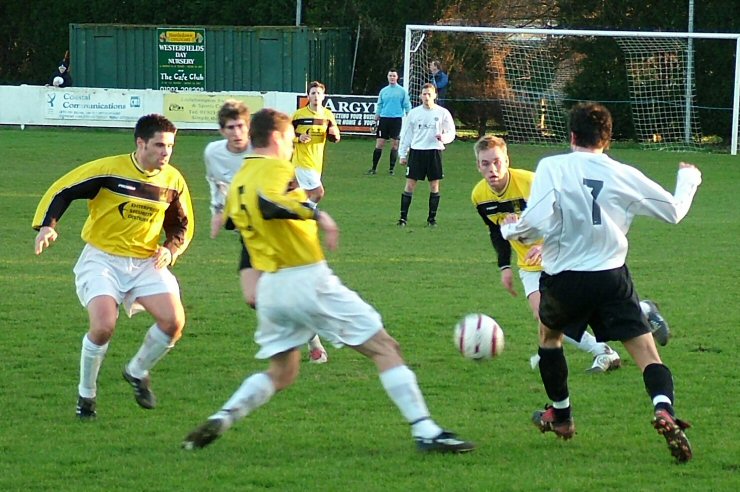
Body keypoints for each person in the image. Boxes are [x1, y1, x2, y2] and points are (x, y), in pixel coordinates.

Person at [182, 108, 473, 454]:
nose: (292, 143)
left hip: (271, 289)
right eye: (290, 137)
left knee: (283, 372)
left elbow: (236, 220)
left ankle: (226, 414)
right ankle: (426, 431)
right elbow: (269, 204)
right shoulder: (275, 168)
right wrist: (318, 215)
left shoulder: (241, 177)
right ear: (276, 138)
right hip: (306, 278)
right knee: (385, 347)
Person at [500, 102, 701, 463]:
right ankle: (664, 408)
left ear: (572, 136)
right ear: (607, 140)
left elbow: (533, 224)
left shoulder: (553, 167)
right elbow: (673, 211)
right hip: (612, 278)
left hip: (564, 279)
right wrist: (689, 178)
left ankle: (561, 417)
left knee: (549, 337)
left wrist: (509, 228)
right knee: (645, 352)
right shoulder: (623, 173)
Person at [32, 114, 194, 419]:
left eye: (170, 146)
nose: (166, 152)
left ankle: (136, 371)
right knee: (104, 326)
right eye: (159, 145)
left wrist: (170, 251)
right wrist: (47, 225)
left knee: (174, 323)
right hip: (102, 259)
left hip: (147, 262)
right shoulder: (109, 169)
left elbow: (182, 226)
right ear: (141, 143)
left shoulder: (173, 181)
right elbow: (64, 189)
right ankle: (86, 396)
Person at [472, 135, 621, 373]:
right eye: (486, 163)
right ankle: (602, 351)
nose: (492, 168)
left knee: (586, 307)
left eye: (497, 161)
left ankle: (641, 313)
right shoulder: (479, 196)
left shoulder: (531, 182)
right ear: (478, 166)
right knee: (545, 317)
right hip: (529, 264)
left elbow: (569, 214)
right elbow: (495, 231)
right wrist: (504, 266)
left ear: (507, 160)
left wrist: (544, 244)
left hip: (562, 253)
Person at [206, 100, 329, 363]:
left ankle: (311, 340)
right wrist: (217, 210)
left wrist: (306, 205)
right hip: (248, 229)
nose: (236, 132)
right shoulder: (213, 153)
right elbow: (215, 183)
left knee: (283, 288)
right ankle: (303, 328)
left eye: (241, 126)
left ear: (248, 127)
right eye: (230, 127)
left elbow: (291, 182)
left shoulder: (264, 150)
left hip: (275, 229)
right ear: (221, 130)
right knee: (253, 298)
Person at [397, 83, 455, 227]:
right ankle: (403, 218)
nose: (426, 97)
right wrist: (402, 154)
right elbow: (406, 134)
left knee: (434, 185)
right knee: (410, 185)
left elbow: (451, 132)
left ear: (435, 96)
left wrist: (444, 138)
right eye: (424, 94)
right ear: (420, 96)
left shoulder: (443, 113)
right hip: (417, 152)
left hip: (434, 152)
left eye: (429, 94)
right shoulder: (414, 113)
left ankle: (431, 219)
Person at [291, 80, 341, 204]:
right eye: (313, 93)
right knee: (318, 193)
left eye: (319, 93)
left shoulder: (327, 115)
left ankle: (297, 216)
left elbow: (336, 135)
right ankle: (307, 214)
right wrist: (299, 138)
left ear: (323, 96)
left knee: (306, 195)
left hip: (317, 162)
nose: (316, 96)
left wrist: (334, 135)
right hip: (302, 161)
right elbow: (285, 134)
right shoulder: (299, 115)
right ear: (308, 96)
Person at [366, 69, 412, 176]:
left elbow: (407, 105)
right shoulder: (383, 91)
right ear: (387, 77)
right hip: (384, 119)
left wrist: (410, 117)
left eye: (394, 76)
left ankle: (391, 169)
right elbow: (380, 105)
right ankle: (373, 168)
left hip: (396, 120)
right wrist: (375, 120)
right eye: (390, 75)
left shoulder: (402, 91)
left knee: (395, 144)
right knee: (379, 143)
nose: (392, 77)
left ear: (397, 77)